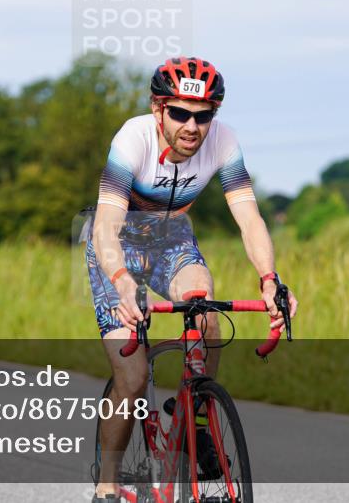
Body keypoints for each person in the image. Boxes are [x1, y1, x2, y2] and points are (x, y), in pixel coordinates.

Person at [87, 57, 298, 502]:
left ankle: (198, 420)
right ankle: (107, 483)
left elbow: (249, 216)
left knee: (205, 306)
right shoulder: (133, 139)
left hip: (173, 240)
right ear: (158, 108)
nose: (192, 126)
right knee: (133, 376)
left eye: (203, 116)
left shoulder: (224, 141)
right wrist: (123, 281)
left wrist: (269, 279)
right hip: (118, 246)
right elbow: (106, 225)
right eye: (180, 113)